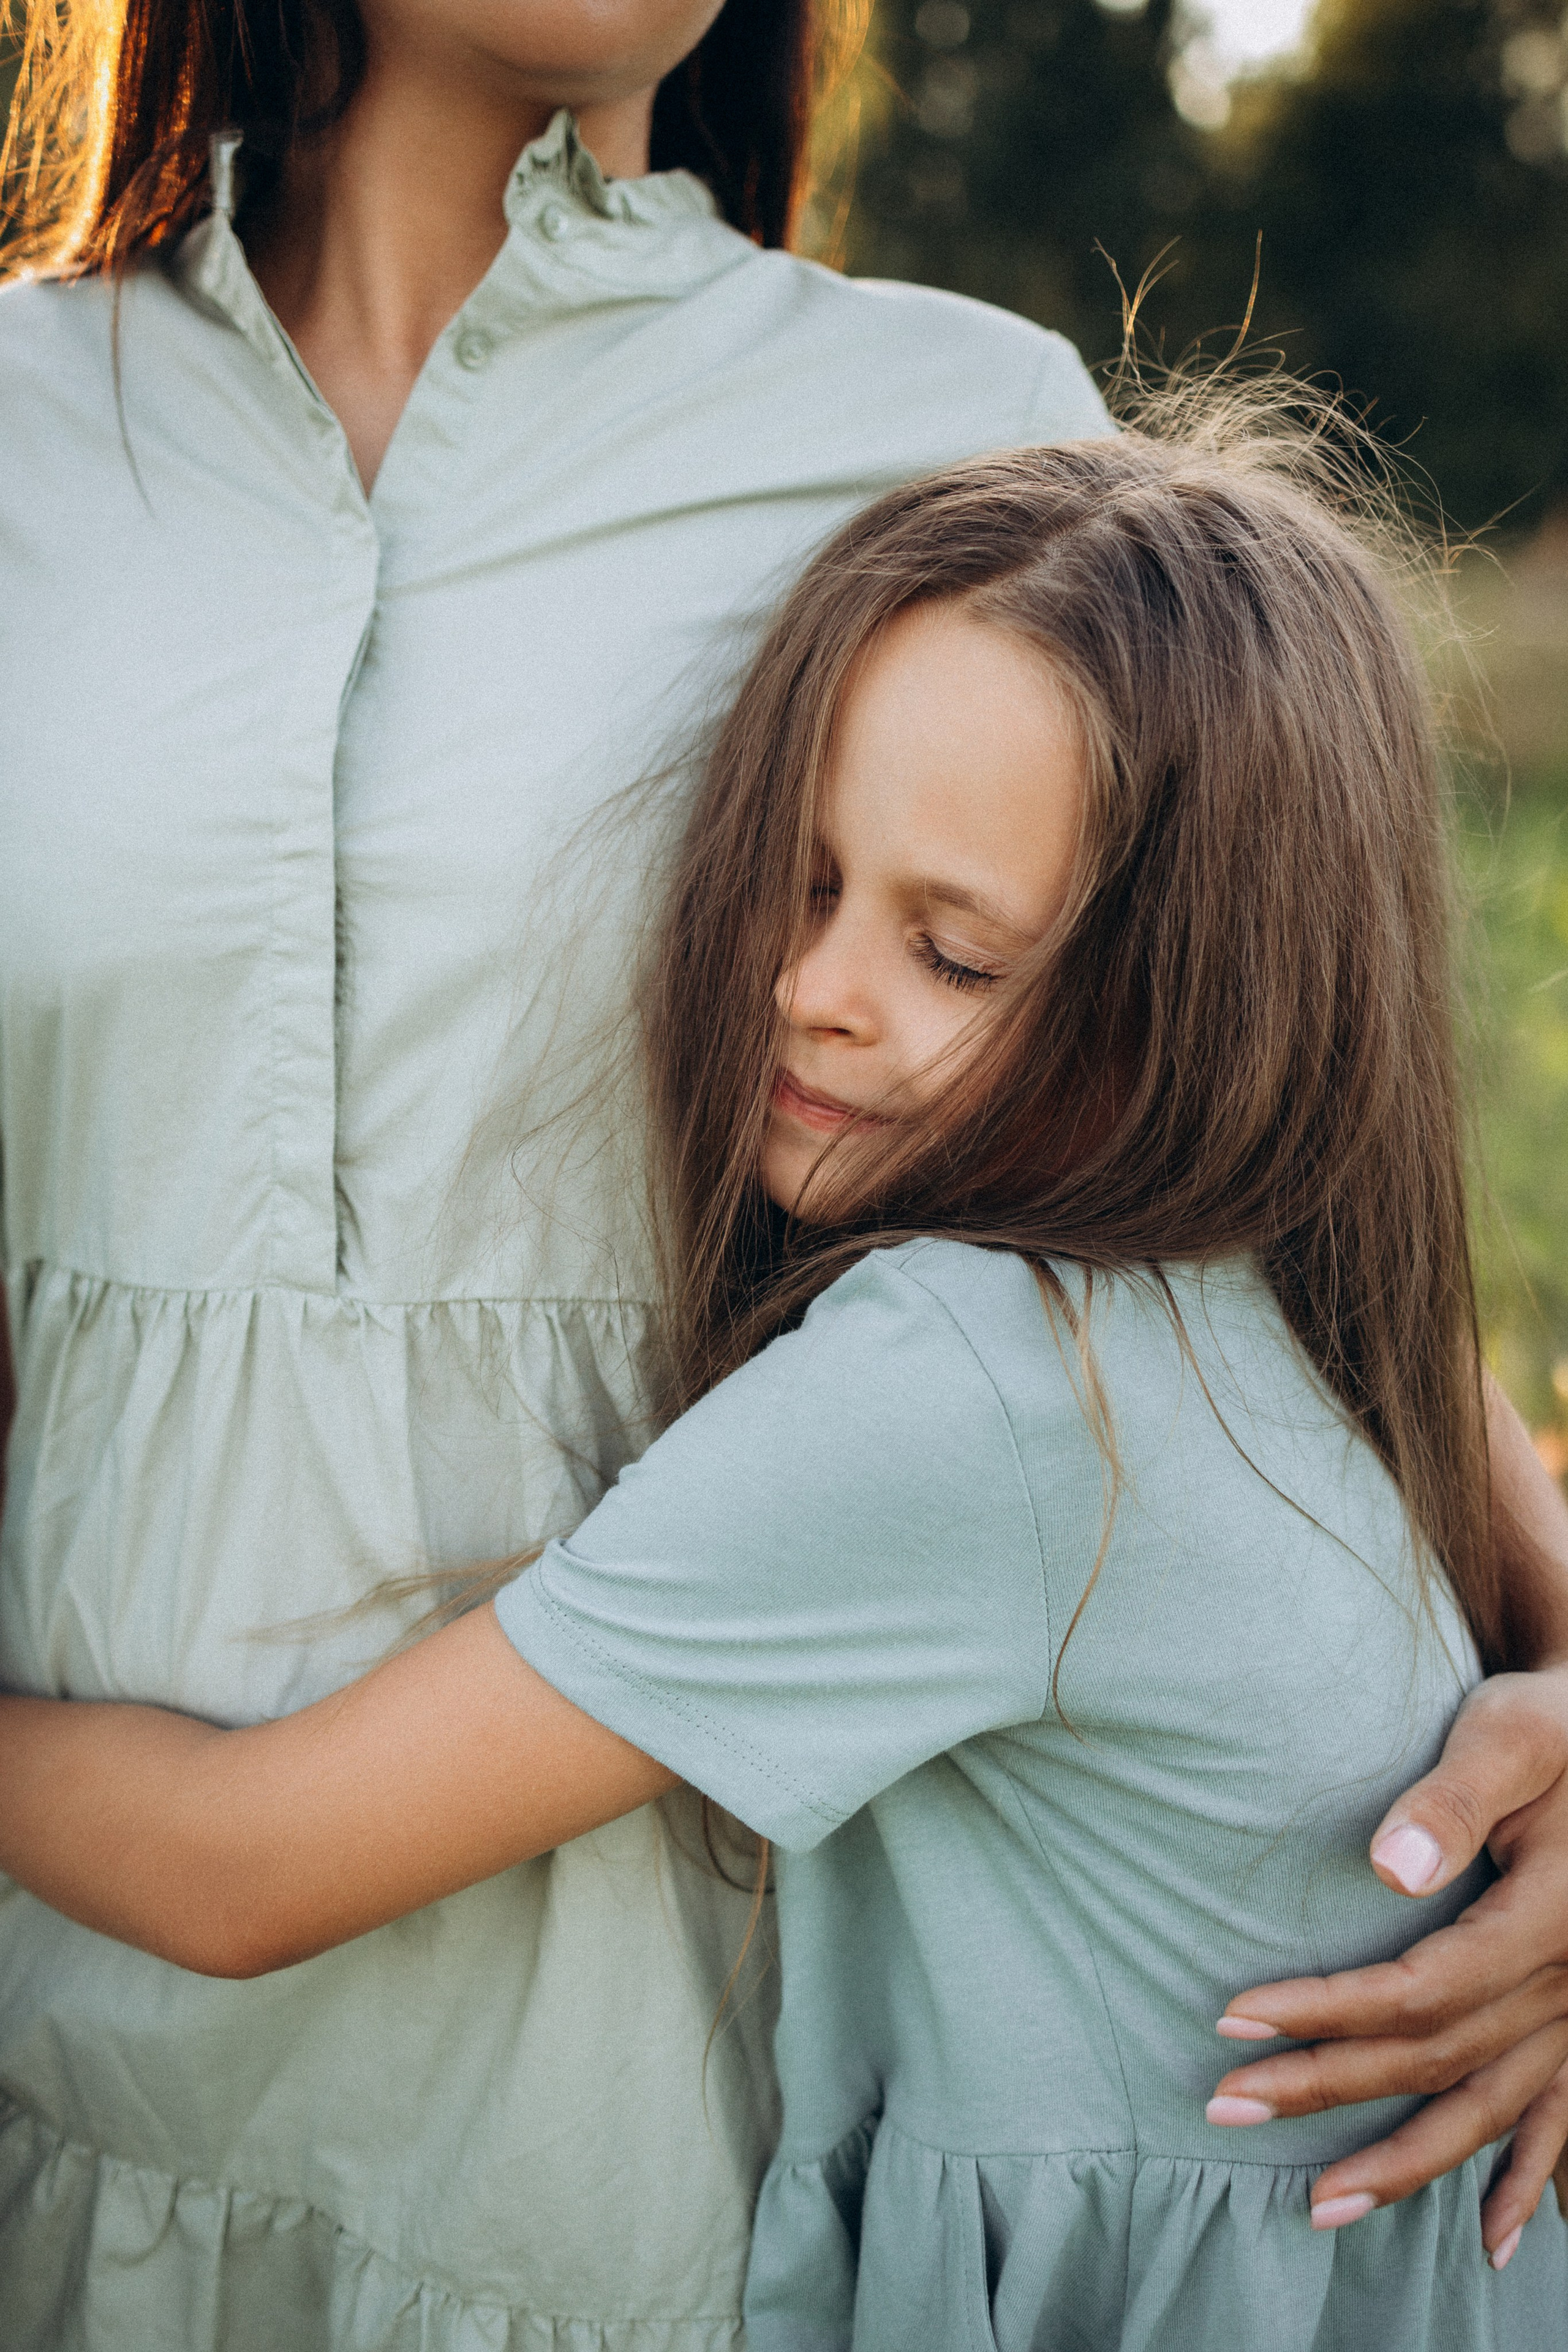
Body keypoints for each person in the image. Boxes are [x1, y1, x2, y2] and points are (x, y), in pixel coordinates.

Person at [3, 4, 1568, 2343]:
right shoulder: (24, 435)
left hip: (710, 2155)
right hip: (65, 2025)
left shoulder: (965, 431)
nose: (832, 987)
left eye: (939, 948)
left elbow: (1257, 1209)